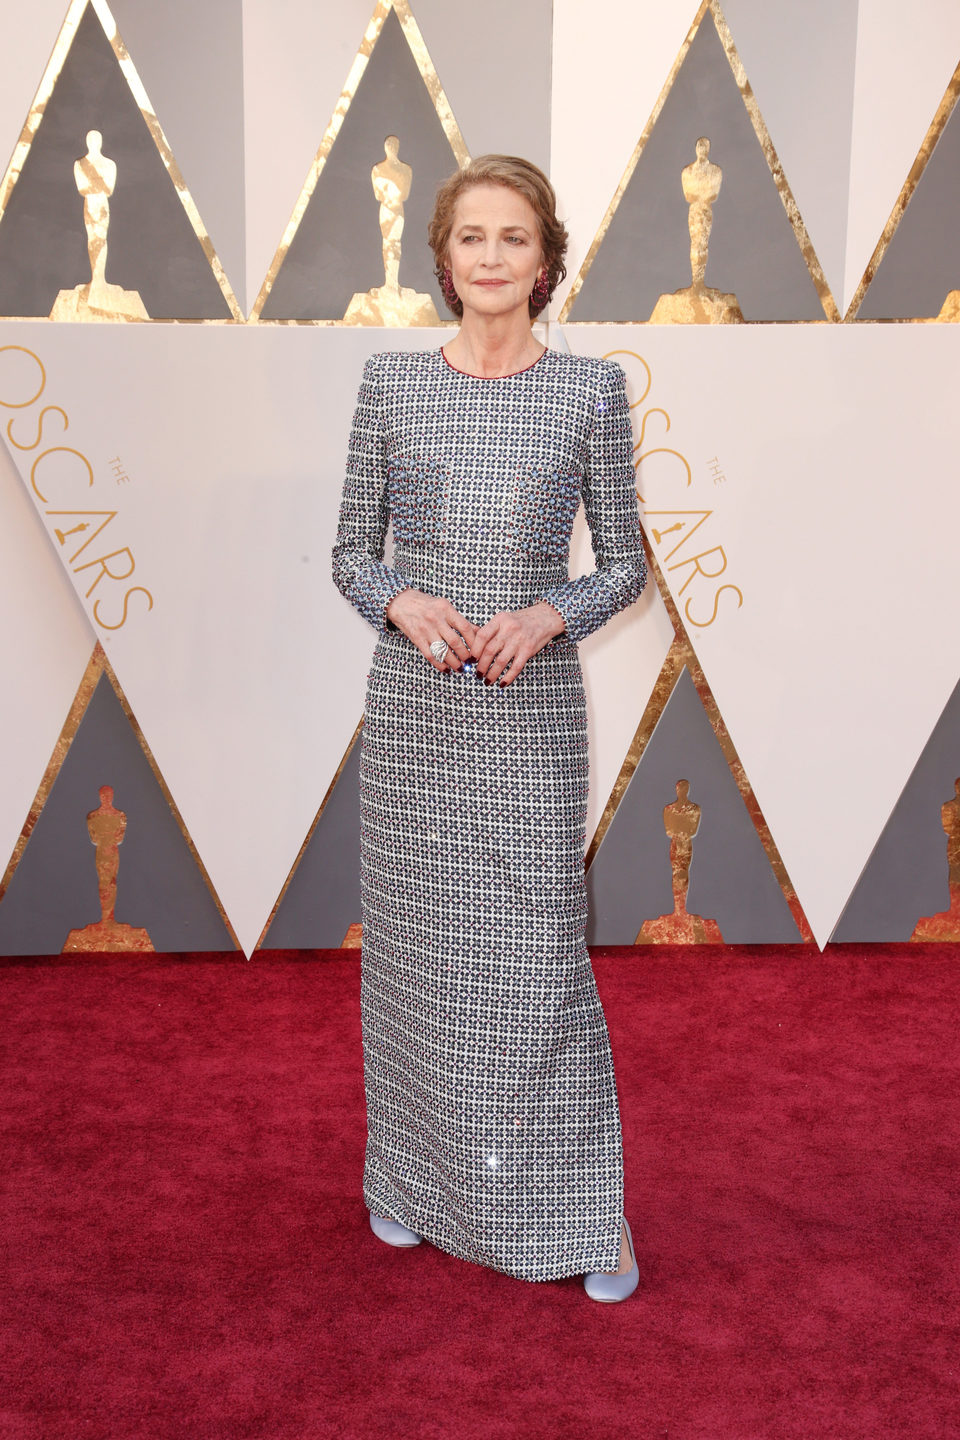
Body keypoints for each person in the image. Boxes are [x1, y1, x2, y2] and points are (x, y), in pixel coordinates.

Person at [332, 155, 647, 1301]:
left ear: (546, 262)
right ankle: (410, 1180)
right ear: (444, 258)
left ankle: (580, 1214)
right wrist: (395, 599)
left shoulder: (590, 392)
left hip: (529, 714)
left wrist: (551, 612)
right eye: (472, 237)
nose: (492, 257)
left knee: (539, 962)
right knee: (418, 959)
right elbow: (348, 554)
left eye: (514, 238)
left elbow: (625, 565)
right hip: (416, 715)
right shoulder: (389, 385)